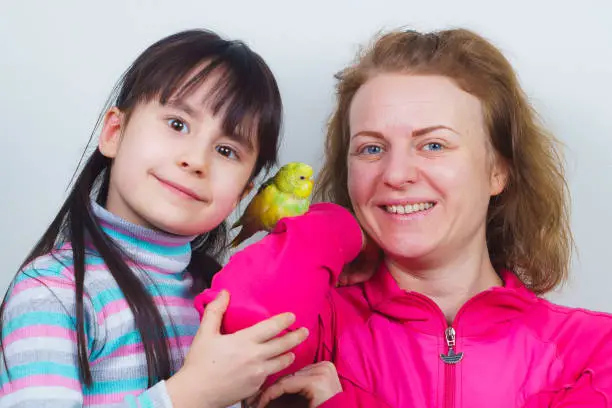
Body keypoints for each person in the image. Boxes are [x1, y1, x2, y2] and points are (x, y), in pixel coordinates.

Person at [195, 28, 612, 407]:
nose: (395, 175)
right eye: (371, 149)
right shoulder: (319, 322)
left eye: (433, 145)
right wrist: (336, 228)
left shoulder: (593, 351)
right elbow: (239, 322)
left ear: (497, 170)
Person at [0, 29, 311, 408]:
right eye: (178, 124)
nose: (195, 160)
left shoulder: (220, 297)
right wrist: (186, 396)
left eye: (226, 150)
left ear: (242, 196)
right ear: (115, 132)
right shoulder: (53, 292)